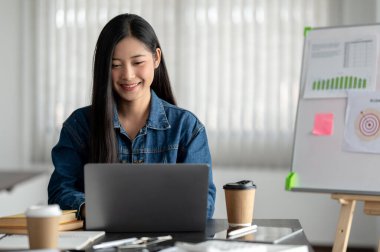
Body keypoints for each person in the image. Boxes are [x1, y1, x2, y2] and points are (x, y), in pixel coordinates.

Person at [47, 13, 216, 219]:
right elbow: (59, 191)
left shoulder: (187, 128)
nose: (127, 75)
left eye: (137, 62)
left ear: (156, 58)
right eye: (115, 65)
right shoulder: (79, 126)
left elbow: (204, 203)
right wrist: (87, 208)